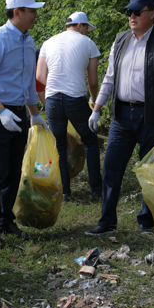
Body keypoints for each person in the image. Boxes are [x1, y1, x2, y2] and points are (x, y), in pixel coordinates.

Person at [86, 0, 154, 235]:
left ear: (152, 14)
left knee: (150, 172)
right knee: (111, 167)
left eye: (137, 12)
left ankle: (146, 223)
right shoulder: (120, 41)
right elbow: (109, 78)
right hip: (121, 116)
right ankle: (107, 222)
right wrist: (97, 108)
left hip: (151, 117)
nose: (132, 16)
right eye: (129, 12)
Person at [0, 0, 47, 249]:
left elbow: (27, 82)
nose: (36, 15)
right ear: (17, 12)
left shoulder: (28, 41)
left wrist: (35, 114)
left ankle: (6, 220)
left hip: (18, 112)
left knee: (14, 168)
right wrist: (1, 110)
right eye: (32, 11)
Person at [36, 11, 102, 202]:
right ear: (80, 25)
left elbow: (40, 77)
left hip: (53, 99)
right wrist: (94, 100)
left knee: (60, 145)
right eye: (87, 29)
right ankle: (96, 189)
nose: (87, 33)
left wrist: (54, 94)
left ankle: (65, 193)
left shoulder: (48, 43)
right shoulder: (88, 44)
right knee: (90, 141)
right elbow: (92, 80)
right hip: (75, 99)